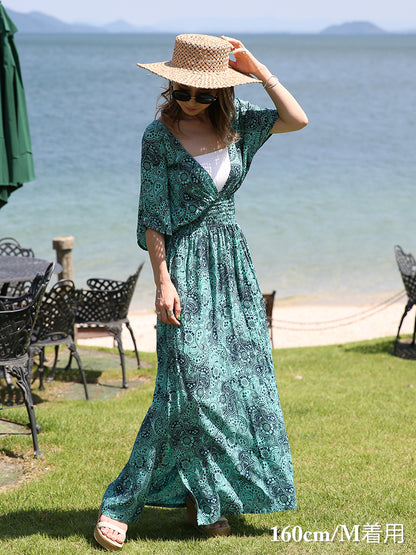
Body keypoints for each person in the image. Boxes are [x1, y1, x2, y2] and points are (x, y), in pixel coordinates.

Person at [94, 33, 307, 551]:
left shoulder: (241, 126)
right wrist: (163, 281)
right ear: (170, 86)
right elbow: (153, 215)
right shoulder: (158, 136)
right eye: (182, 91)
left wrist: (260, 71)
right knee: (184, 388)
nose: (190, 101)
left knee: (234, 385)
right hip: (183, 266)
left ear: (221, 92)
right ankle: (120, 505)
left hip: (232, 267)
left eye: (202, 94)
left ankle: (205, 500)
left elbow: (297, 119)